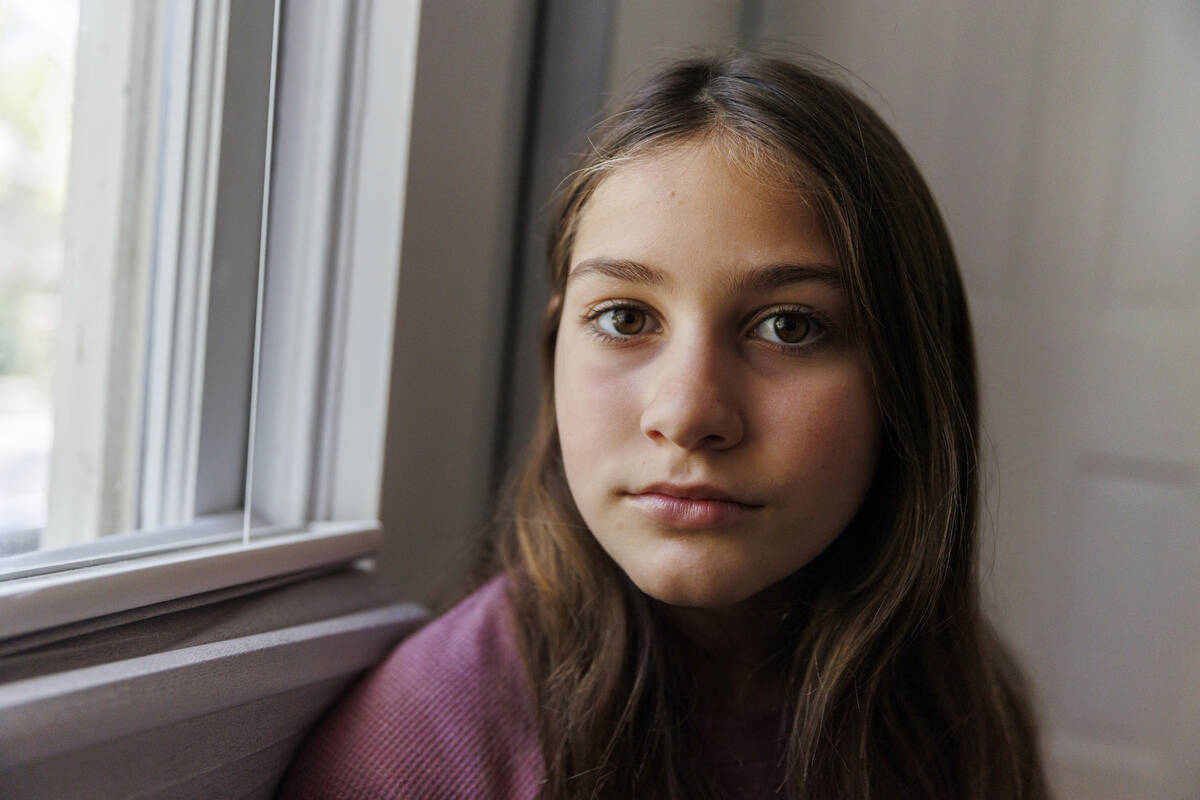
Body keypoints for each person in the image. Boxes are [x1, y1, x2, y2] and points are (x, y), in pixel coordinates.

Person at [278, 52, 1050, 799]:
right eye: (623, 317)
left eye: (788, 327)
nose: (685, 415)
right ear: (555, 355)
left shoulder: (955, 713)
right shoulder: (428, 745)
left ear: (906, 381)